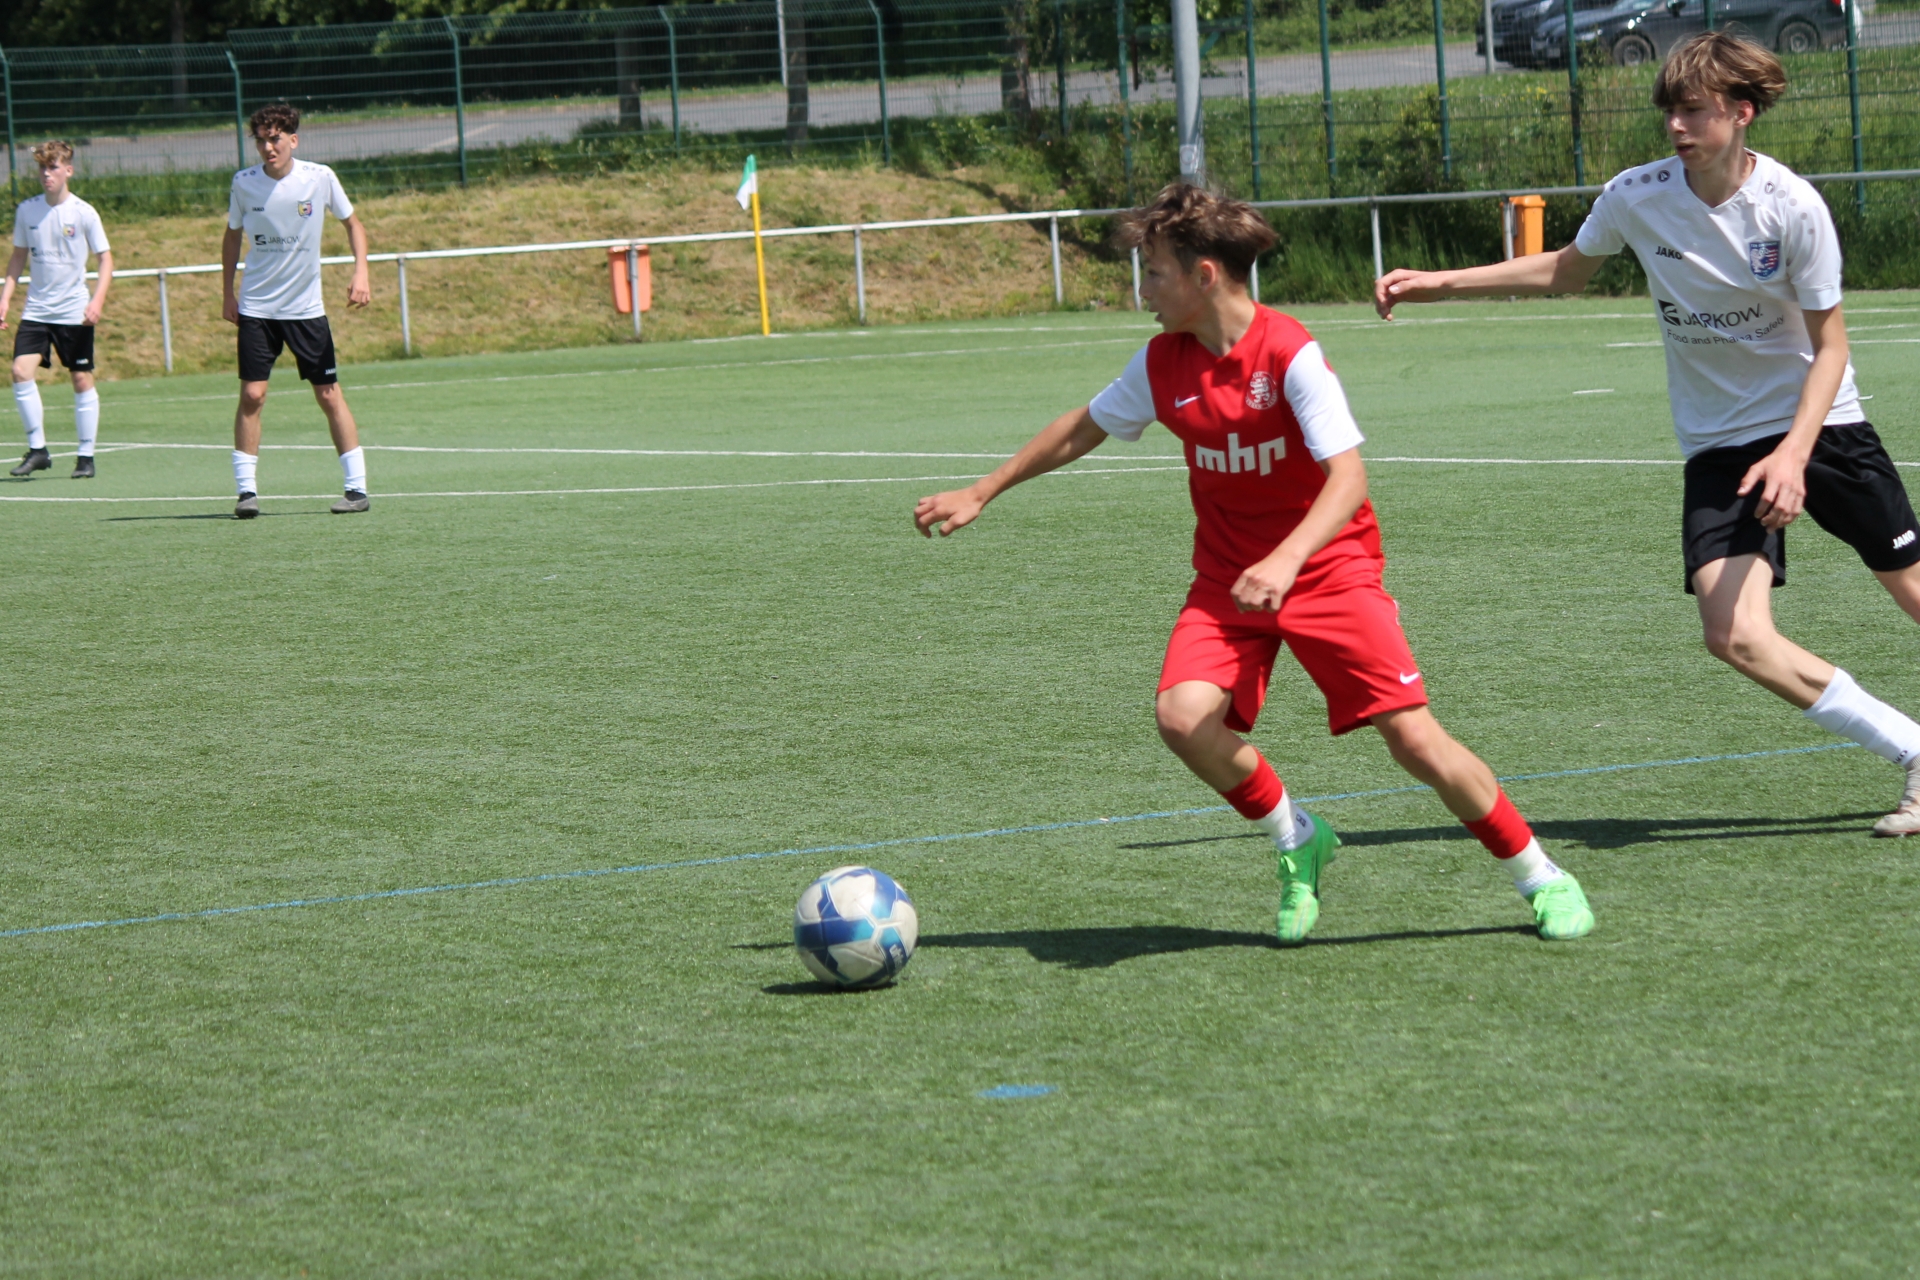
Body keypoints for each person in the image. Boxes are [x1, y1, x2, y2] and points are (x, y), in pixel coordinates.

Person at [914, 185, 1595, 944]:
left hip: (1329, 569)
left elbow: (1348, 479)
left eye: (1155, 274)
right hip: (1228, 582)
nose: (1144, 292)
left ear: (1204, 276)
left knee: (1413, 740)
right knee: (1182, 718)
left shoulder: (1289, 352)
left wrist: (1286, 559)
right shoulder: (1163, 362)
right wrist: (982, 489)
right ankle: (1298, 837)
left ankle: (1540, 874)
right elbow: (1085, 426)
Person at [1375, 32, 1920, 838]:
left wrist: (1794, 455)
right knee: (1734, 636)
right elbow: (1566, 268)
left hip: (1821, 427)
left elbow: (1831, 346)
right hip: (1720, 443)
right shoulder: (1637, 195)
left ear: (1741, 112)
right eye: (1670, 110)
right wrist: (1440, 282)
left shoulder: (1792, 206)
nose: (1676, 125)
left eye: (1693, 110)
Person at [222, 102, 372, 518]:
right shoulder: (243, 183)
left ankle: (356, 489)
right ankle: (246, 492)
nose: (268, 148)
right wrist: (227, 293)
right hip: (257, 307)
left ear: (293, 140)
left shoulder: (319, 178)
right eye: (261, 140)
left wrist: (361, 273)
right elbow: (231, 236)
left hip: (306, 309)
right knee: (252, 394)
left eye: (275, 139)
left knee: (328, 394)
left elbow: (354, 225)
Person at [0, 140, 112, 480]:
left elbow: (105, 259)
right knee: (20, 371)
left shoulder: (84, 212)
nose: (46, 174)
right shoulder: (27, 210)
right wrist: (5, 298)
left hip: (73, 310)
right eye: (42, 168)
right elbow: (18, 258)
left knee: (80, 377)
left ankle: (86, 456)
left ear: (68, 171)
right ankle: (38, 450)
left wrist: (97, 300)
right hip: (37, 310)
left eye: (53, 167)